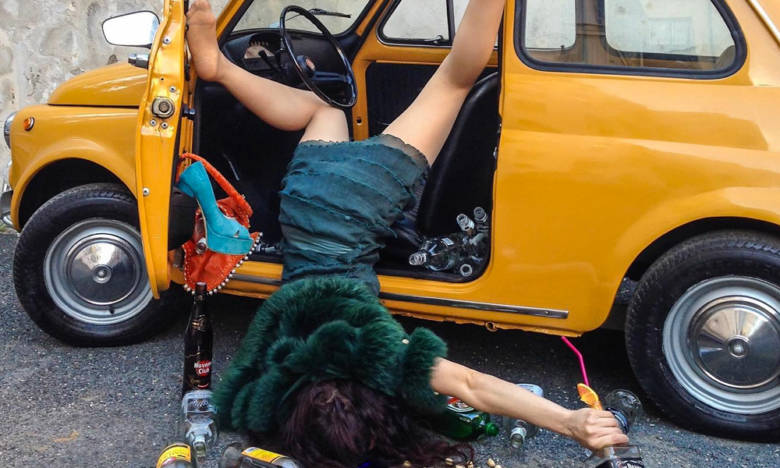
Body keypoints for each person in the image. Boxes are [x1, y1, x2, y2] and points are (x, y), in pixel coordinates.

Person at [185, 1, 629, 466]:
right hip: (303, 203)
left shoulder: (376, 354)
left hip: (358, 205)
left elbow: (471, 385)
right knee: (324, 108)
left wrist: (570, 422)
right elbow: (242, 406)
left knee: (456, 78)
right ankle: (220, 67)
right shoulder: (274, 380)